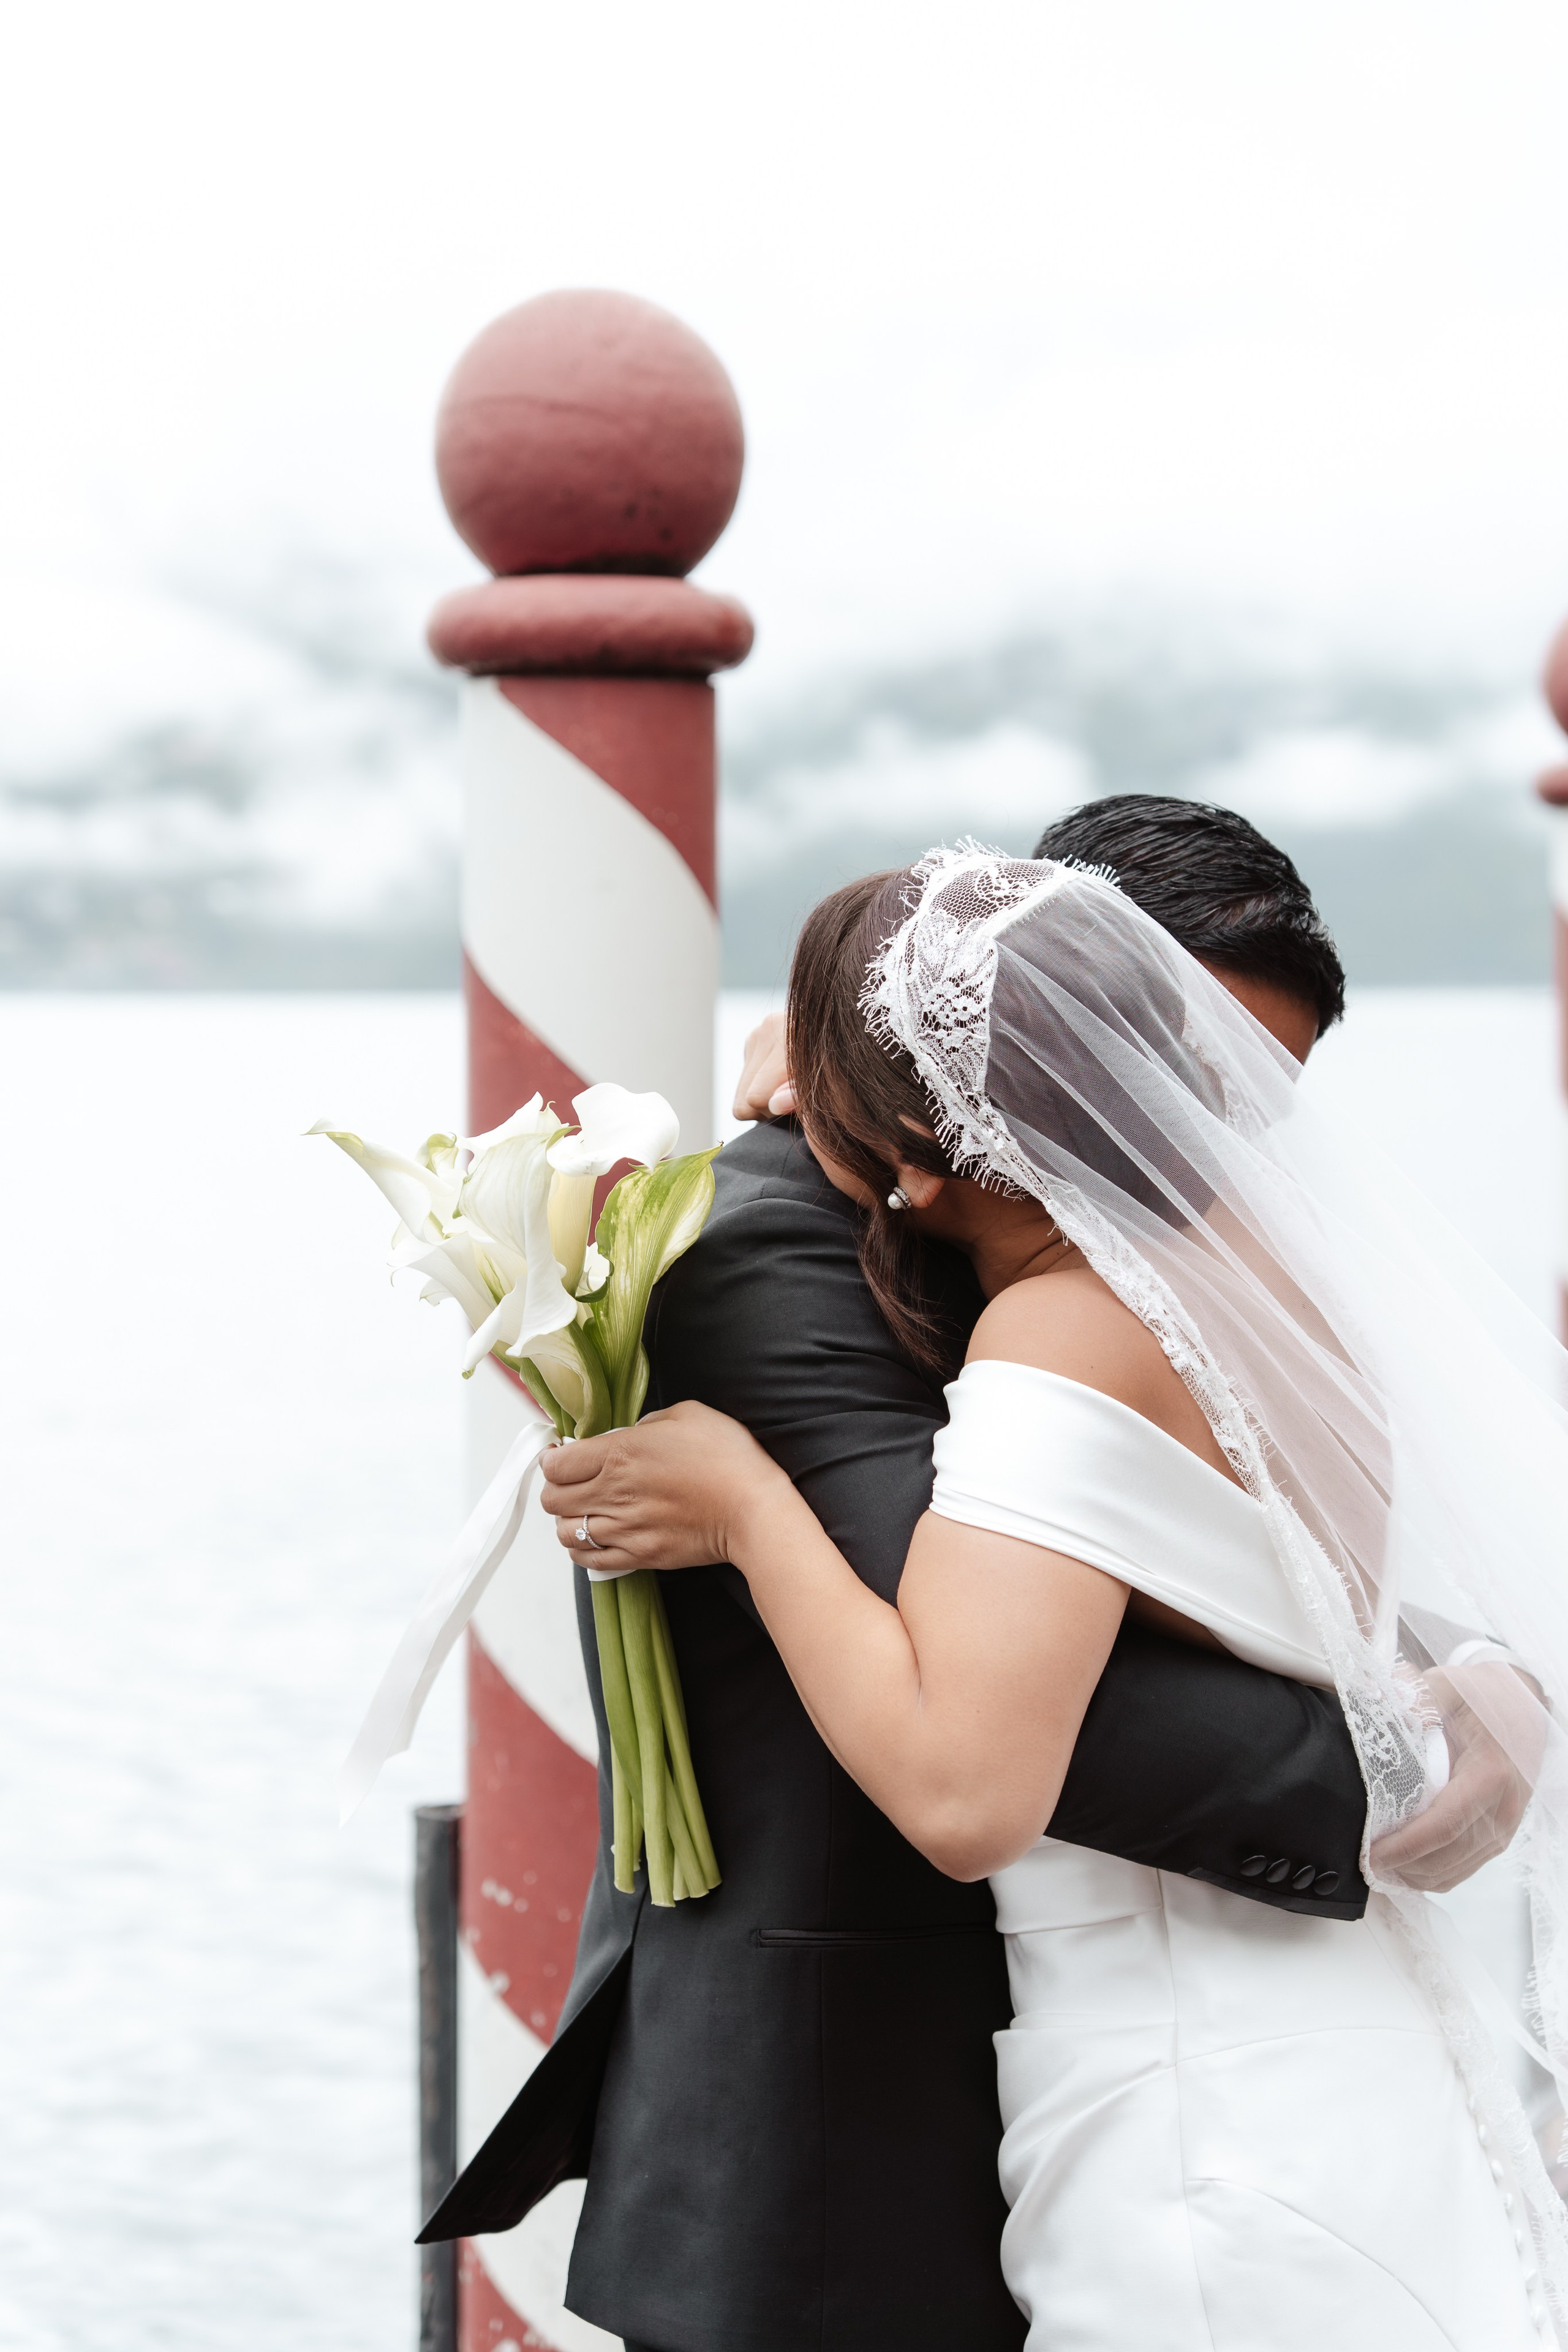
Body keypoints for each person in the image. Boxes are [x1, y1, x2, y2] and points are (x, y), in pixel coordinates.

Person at [422, 802, 1526, 2352]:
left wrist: (1474, 1690)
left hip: (1200, 2102)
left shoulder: (1095, 1302)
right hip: (861, 2134)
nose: (1196, 1139)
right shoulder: (777, 1253)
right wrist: (1402, 1755)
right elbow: (1057, 1693)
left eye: (1241, 1104)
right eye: (1176, 1070)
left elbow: (1011, 1724)